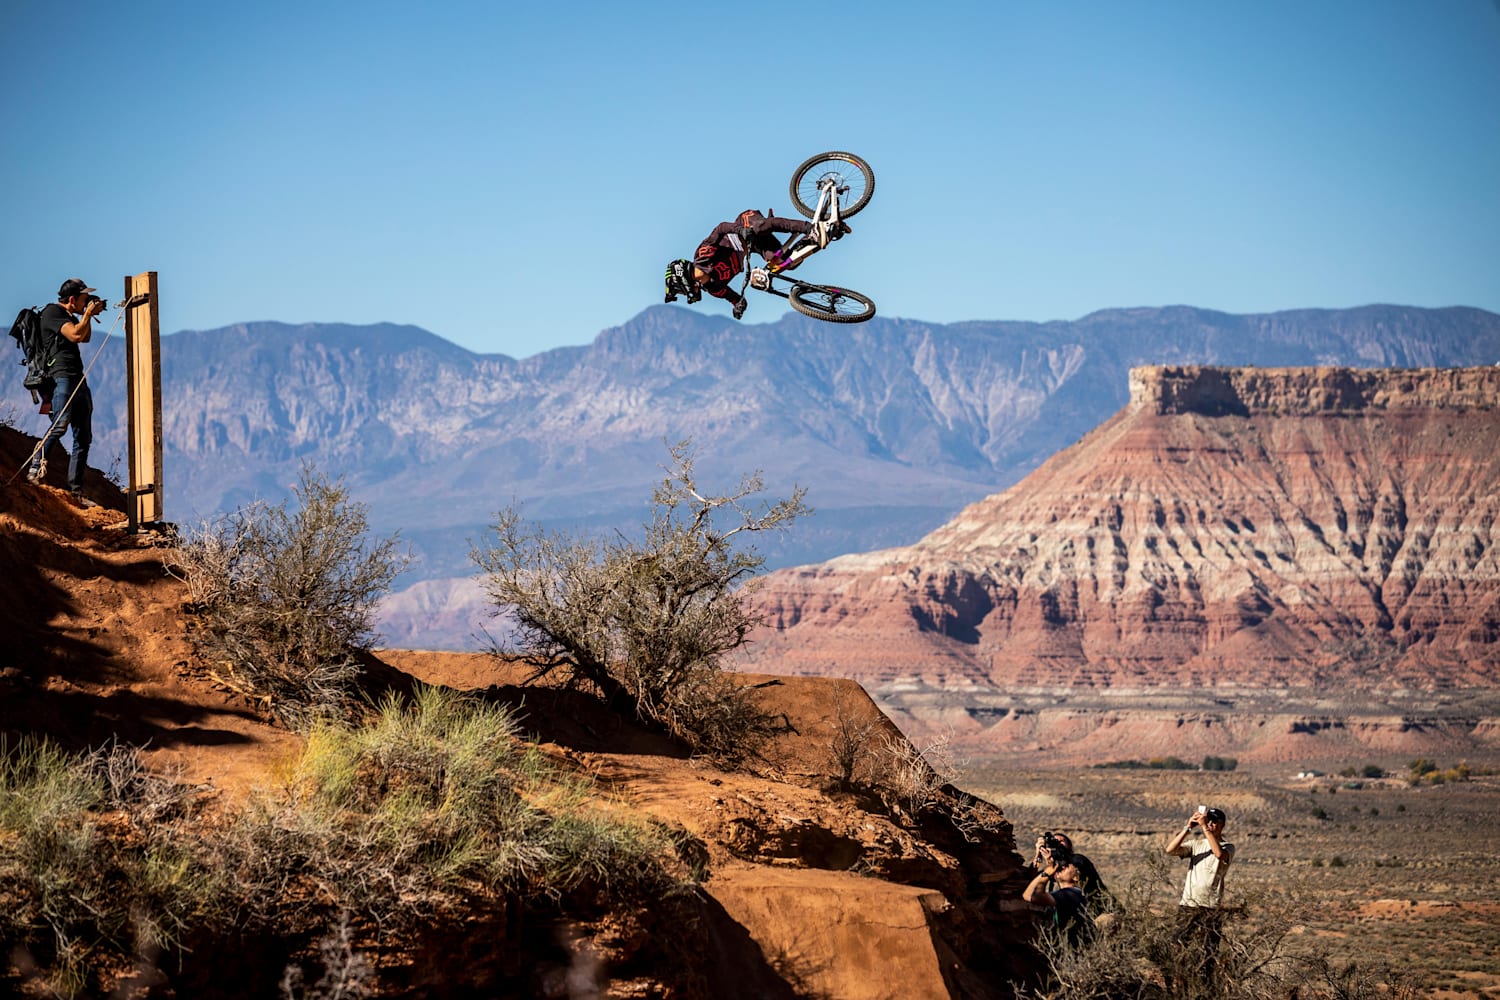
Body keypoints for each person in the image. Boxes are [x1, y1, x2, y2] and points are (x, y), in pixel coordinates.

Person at [664, 208, 841, 320]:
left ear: (681, 278)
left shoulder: (702, 256)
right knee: (786, 263)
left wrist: (740, 230)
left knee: (760, 227)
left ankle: (810, 228)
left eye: (679, 291)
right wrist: (738, 307)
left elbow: (721, 228)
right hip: (754, 246)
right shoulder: (714, 289)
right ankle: (828, 234)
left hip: (744, 224)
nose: (685, 295)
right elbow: (735, 299)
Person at [27, 278, 102, 505]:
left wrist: (86, 315)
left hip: (77, 378)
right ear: (71, 299)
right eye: (83, 299)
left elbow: (85, 337)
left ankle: (76, 491)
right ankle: (35, 467)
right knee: (60, 424)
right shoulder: (52, 313)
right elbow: (75, 335)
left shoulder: (70, 316)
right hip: (61, 378)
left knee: (83, 437)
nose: (85, 302)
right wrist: (87, 315)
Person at [1165, 806, 1236, 986]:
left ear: (1222, 825)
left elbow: (1219, 854)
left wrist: (1204, 828)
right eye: (1208, 821)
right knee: (1178, 943)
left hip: (1210, 906)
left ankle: (1207, 985)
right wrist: (1188, 828)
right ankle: (1180, 982)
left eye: (1214, 822)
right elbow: (1170, 850)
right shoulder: (1196, 845)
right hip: (1188, 904)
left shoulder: (1228, 847)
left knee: (1208, 950)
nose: (1210, 824)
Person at [1023, 847, 1093, 948]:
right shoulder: (1075, 894)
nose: (1062, 867)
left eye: (1067, 866)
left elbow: (1030, 895)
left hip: (1071, 952)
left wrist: (1046, 872)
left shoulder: (1071, 895)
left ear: (1076, 877)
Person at [1040, 832, 1113, 917]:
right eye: (1055, 841)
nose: (1058, 843)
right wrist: (1038, 855)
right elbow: (1042, 879)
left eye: (1061, 841)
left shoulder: (1078, 860)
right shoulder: (1055, 866)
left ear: (1069, 845)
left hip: (1092, 904)